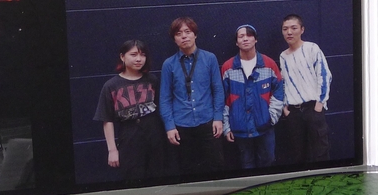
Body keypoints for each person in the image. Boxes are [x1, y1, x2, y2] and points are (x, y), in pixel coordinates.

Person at [160, 17, 224, 174]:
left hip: (208, 122)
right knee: (187, 170)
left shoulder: (209, 58)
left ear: (195, 34)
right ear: (174, 39)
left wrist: (218, 118)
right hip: (181, 125)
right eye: (178, 33)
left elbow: (218, 90)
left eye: (188, 32)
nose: (184, 36)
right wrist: (169, 126)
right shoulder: (169, 64)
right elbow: (165, 98)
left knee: (215, 167)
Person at [93, 40, 164, 180]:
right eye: (133, 54)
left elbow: (161, 109)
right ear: (122, 56)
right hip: (129, 138)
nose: (139, 59)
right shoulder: (111, 85)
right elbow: (107, 120)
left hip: (155, 136)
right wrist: (112, 150)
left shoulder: (152, 80)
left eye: (143, 55)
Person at [221, 24, 284, 169]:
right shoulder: (228, 67)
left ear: (256, 40)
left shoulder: (269, 64)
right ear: (236, 42)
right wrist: (226, 127)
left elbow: (279, 91)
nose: (245, 39)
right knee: (246, 164)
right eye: (241, 36)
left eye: (249, 35)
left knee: (268, 161)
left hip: (265, 126)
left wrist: (271, 117)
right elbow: (223, 98)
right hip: (239, 128)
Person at [278, 14, 332, 164]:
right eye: (285, 29)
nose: (289, 32)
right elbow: (284, 83)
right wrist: (285, 108)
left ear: (302, 29)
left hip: (312, 109)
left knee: (320, 153)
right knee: (298, 156)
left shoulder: (311, 48)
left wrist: (319, 104)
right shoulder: (283, 56)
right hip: (293, 113)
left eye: (293, 28)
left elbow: (324, 75)